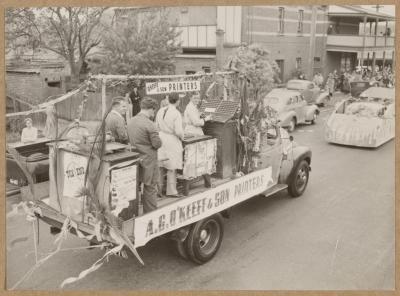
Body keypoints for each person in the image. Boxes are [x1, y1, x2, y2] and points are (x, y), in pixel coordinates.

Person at [127, 97, 162, 213]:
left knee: (134, 187)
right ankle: (150, 214)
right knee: (150, 188)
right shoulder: (150, 124)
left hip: (135, 158)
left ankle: (133, 212)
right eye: (154, 110)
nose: (154, 113)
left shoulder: (131, 120)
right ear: (151, 109)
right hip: (149, 161)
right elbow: (157, 144)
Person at [156, 95, 184, 197]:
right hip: (171, 139)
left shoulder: (161, 110)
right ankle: (171, 191)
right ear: (178, 101)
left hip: (161, 138)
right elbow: (179, 131)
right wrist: (182, 137)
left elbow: (156, 126)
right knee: (171, 167)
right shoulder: (176, 113)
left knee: (161, 165)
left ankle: (158, 190)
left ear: (168, 100)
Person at [183, 92, 213, 188]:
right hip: (194, 133)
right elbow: (196, 122)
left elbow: (195, 117)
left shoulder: (192, 107)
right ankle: (206, 182)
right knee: (200, 157)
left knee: (199, 158)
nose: (197, 100)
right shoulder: (190, 108)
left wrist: (200, 115)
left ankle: (205, 180)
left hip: (193, 132)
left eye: (198, 98)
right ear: (190, 98)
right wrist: (206, 119)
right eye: (195, 98)